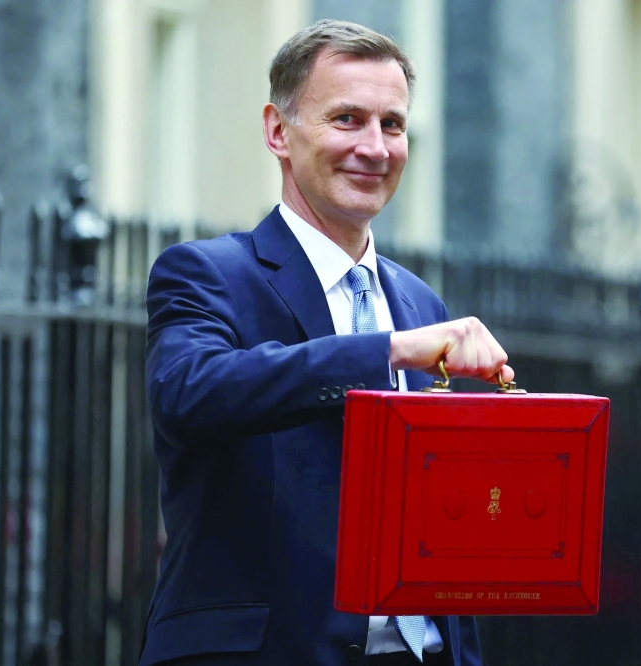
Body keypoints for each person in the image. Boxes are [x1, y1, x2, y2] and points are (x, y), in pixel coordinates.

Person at [140, 19, 512, 666]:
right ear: (278, 132)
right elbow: (189, 393)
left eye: (392, 125)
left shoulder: (420, 303)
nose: (375, 147)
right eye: (347, 119)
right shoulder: (207, 273)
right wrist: (386, 351)